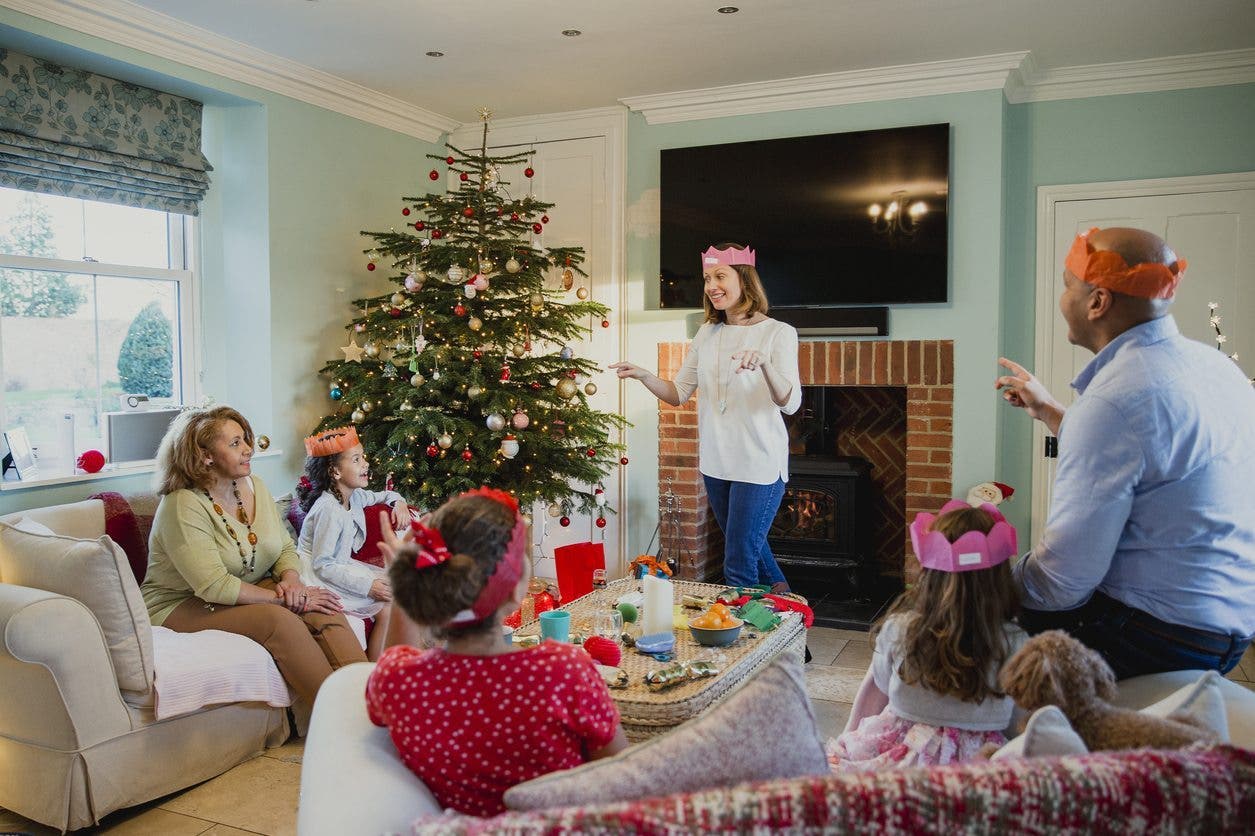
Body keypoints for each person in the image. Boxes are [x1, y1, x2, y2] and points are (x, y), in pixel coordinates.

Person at [996, 226, 1255, 678]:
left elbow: (1062, 583)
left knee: (974, 632)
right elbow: (1155, 455)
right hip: (1228, 624)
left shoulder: (1114, 403)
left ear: (1097, 302)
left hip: (1158, 635)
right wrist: (1051, 411)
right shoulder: (1214, 366)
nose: (1062, 300)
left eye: (1066, 285)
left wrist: (982, 585)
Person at [365, 487, 628, 817]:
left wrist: (403, 591)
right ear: (516, 590)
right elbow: (620, 780)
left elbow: (396, 658)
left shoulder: (398, 681)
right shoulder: (564, 671)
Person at [142, 406, 366, 705]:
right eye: (235, 443)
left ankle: (374, 703)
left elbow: (285, 548)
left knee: (324, 605)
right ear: (205, 454)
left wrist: (292, 581)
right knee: (279, 621)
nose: (248, 449)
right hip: (181, 603)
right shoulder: (182, 505)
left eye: (246, 440)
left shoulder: (254, 486)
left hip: (246, 586)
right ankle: (343, 718)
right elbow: (214, 586)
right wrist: (285, 599)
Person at [610, 243, 801, 591]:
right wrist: (644, 375)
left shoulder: (778, 333)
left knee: (739, 563)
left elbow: (789, 402)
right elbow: (679, 393)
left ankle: (735, 642)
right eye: (707, 278)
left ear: (744, 279)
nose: (712, 285)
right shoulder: (707, 334)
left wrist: (765, 364)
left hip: (759, 464)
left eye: (720, 276)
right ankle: (790, 619)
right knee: (754, 552)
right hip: (716, 464)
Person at [828, 502, 1024, 770]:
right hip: (979, 763)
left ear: (929, 574)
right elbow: (1021, 721)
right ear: (1000, 577)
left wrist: (847, 737)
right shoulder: (1016, 643)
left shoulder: (900, 629)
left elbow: (877, 689)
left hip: (900, 757)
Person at [294, 425, 412, 660]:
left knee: (397, 593)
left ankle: (390, 666)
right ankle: (373, 674)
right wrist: (367, 586)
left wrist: (399, 502)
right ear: (335, 472)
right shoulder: (329, 509)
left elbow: (385, 495)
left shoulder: (354, 496)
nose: (365, 464)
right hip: (318, 574)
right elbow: (323, 565)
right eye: (356, 460)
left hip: (339, 565)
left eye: (363, 457)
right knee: (387, 606)